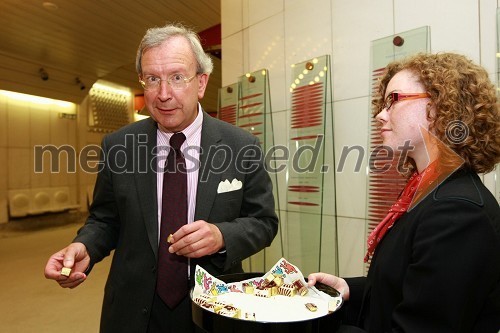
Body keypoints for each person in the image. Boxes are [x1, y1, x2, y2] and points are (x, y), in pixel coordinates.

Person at [44, 23, 278, 333]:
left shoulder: (241, 146)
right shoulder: (118, 145)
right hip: (133, 310)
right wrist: (84, 247)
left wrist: (221, 236)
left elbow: (263, 222)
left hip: (215, 308)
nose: (164, 94)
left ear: (201, 83)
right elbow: (105, 219)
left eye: (177, 77)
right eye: (153, 79)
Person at [308, 52, 500, 333]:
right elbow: (410, 288)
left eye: (393, 100)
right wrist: (350, 288)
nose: (380, 115)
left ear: (440, 108)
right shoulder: (427, 192)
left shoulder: (458, 212)